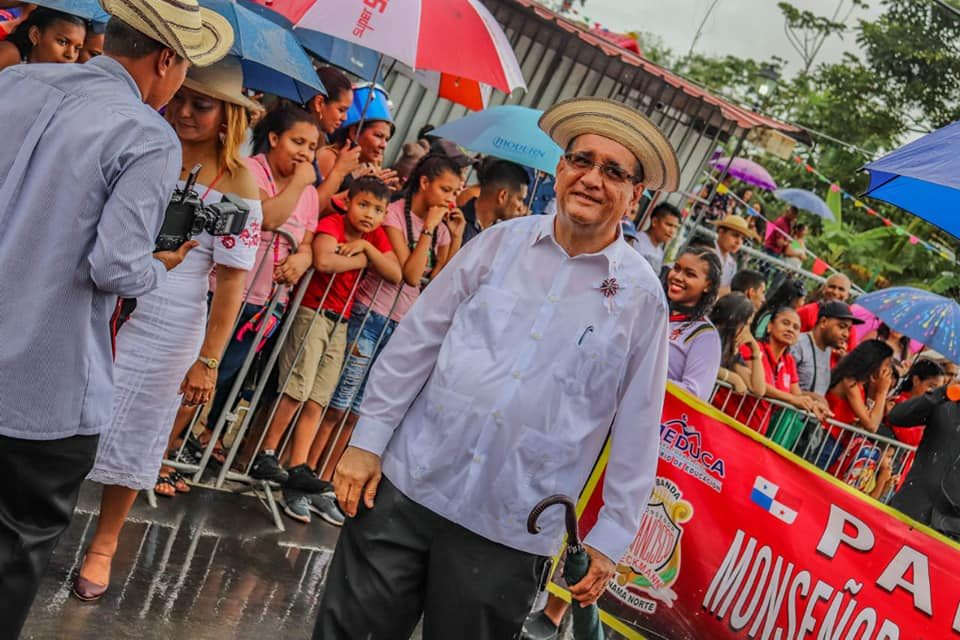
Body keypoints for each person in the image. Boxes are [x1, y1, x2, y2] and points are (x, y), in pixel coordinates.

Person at [315, 96, 678, 640]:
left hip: (511, 526)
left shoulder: (641, 299)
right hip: (408, 485)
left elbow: (639, 425)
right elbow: (418, 341)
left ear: (636, 195)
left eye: (613, 171)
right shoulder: (500, 244)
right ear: (560, 168)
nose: (591, 179)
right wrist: (366, 443)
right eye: (581, 160)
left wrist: (610, 537)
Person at [0, 1, 233, 632]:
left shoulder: (15, 83)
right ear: (167, 59)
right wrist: (162, 264)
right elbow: (115, 268)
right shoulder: (145, 134)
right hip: (41, 385)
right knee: (13, 549)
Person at [75, 55, 262, 603]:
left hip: (171, 323)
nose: (183, 111)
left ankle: (104, 544)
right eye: (181, 97)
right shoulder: (141, 141)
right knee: (66, 417)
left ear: (227, 115)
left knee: (138, 432)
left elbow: (231, 283)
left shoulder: (238, 183)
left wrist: (209, 360)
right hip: (100, 302)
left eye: (201, 105)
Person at [179, 102, 323, 484]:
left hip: (263, 304)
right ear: (273, 138)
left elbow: (309, 242)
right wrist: (299, 182)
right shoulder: (249, 170)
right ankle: (163, 452)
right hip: (223, 292)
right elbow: (268, 218)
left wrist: (302, 258)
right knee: (192, 373)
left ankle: (179, 445)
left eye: (312, 147)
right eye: (298, 142)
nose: (305, 153)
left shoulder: (310, 194)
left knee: (223, 378)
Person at [307, 154, 465, 493]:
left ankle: (329, 480)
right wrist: (428, 229)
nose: (451, 199)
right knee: (338, 404)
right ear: (425, 183)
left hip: (400, 325)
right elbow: (411, 275)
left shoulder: (439, 228)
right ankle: (309, 475)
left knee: (358, 411)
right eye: (446, 190)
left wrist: (454, 238)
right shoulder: (392, 214)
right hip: (370, 315)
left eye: (455, 192)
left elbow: (439, 282)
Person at [254, 176, 401, 525]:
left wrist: (365, 250)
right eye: (363, 205)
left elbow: (395, 272)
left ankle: (298, 466)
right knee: (297, 386)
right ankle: (267, 453)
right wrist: (364, 261)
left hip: (342, 320)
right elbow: (323, 261)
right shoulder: (333, 223)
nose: (369, 214)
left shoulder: (372, 239)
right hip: (313, 311)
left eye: (378, 209)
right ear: (348, 202)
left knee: (318, 397)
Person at [714, 307, 823, 435]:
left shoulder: (789, 361)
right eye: (785, 323)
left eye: (796, 327)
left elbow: (797, 394)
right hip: (726, 421)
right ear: (770, 326)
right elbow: (757, 385)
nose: (790, 329)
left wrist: (813, 405)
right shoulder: (751, 347)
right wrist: (791, 399)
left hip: (754, 431)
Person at [886, 373, 960, 537]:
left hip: (950, 530)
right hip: (910, 508)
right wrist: (942, 392)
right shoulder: (944, 403)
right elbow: (897, 416)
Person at [812, 340, 894, 470]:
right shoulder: (849, 382)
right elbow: (872, 425)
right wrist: (882, 391)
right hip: (826, 439)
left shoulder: (860, 384)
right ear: (873, 362)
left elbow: (870, 419)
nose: (888, 371)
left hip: (838, 442)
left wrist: (875, 390)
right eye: (887, 365)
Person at [663, 247, 722, 400]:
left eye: (690, 274)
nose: (678, 277)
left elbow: (694, 393)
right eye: (676, 268)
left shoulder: (705, 335)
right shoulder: (656, 311)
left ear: (708, 285)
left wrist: (645, 379)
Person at [319, 83, 398, 198]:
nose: (384, 145)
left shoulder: (370, 169)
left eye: (386, 139)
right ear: (354, 132)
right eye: (378, 136)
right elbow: (315, 204)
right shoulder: (329, 158)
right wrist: (361, 189)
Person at [303, 66, 362, 214]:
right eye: (341, 110)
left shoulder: (318, 140)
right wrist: (339, 171)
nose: (345, 118)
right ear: (319, 103)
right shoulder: (302, 143)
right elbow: (309, 210)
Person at [792, 301, 861, 397]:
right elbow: (782, 386)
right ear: (823, 322)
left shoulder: (827, 350)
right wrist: (817, 399)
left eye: (849, 329)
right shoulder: (797, 344)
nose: (846, 334)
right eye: (842, 327)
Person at [460, 158, 531, 244]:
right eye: (520, 199)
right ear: (502, 196)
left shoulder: (500, 234)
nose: (521, 207)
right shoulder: (457, 224)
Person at [711, 293, 765, 395]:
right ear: (734, 319)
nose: (747, 331)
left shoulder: (731, 347)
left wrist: (755, 349)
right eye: (747, 324)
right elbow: (702, 362)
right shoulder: (710, 333)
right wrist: (732, 377)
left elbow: (758, 390)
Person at [0, 6, 86, 70]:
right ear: (35, 35)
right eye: (62, 42)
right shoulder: (10, 54)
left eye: (77, 48)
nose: (70, 55)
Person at [711, 214, 758, 290]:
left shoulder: (732, 264)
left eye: (742, 238)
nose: (738, 242)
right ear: (721, 232)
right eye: (735, 235)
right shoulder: (706, 250)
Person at [633, 202, 681, 274]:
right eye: (669, 225)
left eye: (675, 227)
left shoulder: (660, 252)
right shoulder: (635, 242)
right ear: (654, 222)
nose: (672, 231)